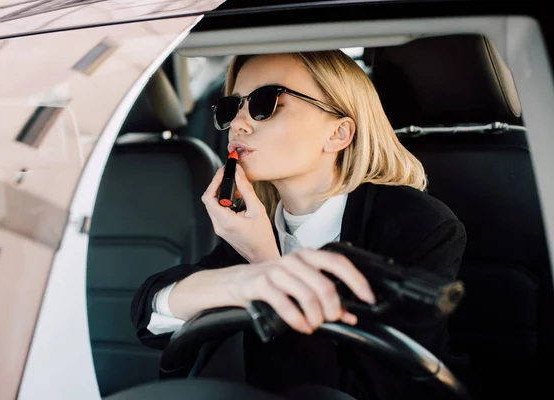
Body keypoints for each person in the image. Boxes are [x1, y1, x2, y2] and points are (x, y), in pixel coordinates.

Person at [131, 50, 466, 399]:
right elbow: (150, 316)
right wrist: (243, 276)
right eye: (232, 108)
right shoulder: (256, 226)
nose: (239, 124)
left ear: (338, 133)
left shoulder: (419, 225)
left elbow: (379, 388)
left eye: (266, 103)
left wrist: (266, 263)